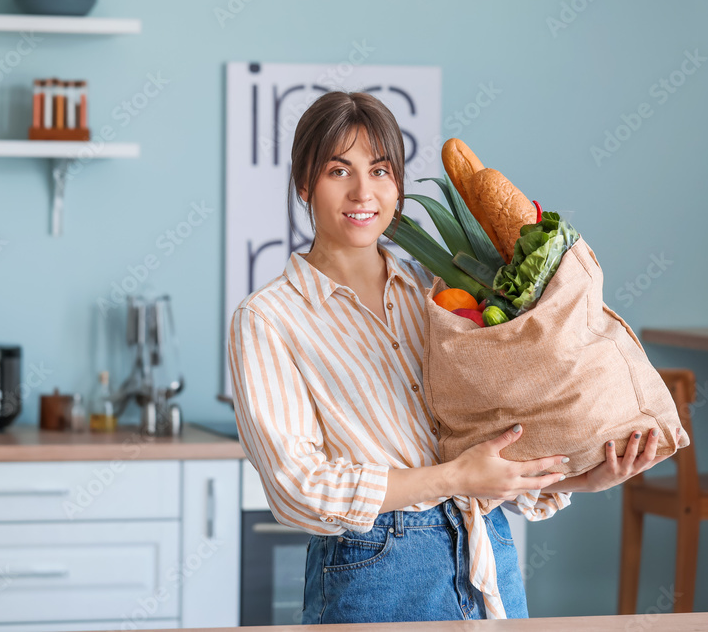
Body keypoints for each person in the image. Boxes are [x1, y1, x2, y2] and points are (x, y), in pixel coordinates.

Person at [227, 91, 671, 624]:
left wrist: (580, 478)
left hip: (486, 551)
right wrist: (457, 479)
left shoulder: (440, 298)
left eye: (381, 170)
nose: (363, 191)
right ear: (304, 184)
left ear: (397, 185)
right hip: (373, 572)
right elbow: (299, 488)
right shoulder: (269, 318)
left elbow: (486, 444)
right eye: (338, 171)